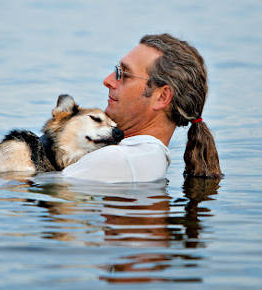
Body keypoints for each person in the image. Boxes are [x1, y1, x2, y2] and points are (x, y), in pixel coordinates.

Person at [62, 33, 222, 183]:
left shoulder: (120, 159)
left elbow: (48, 192)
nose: (108, 80)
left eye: (124, 74)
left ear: (162, 97)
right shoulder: (145, 157)